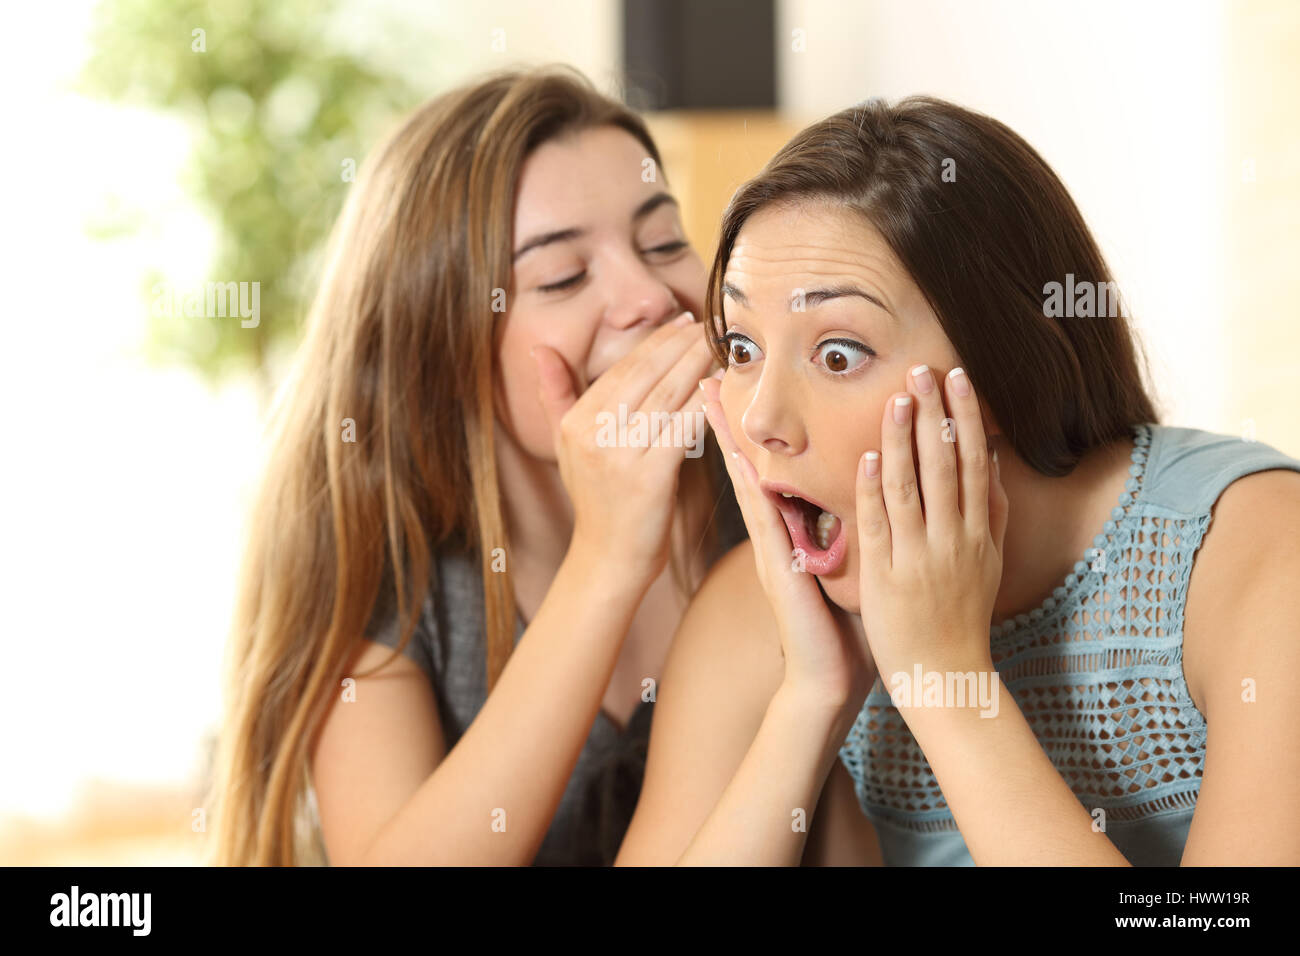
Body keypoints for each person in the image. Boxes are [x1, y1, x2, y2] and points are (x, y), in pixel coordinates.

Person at [617, 95, 1300, 866]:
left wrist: (944, 679)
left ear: (1006, 375)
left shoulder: (1259, 555)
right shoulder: (759, 612)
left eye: (838, 354)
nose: (762, 418)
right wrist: (810, 697)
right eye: (741, 347)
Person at [205, 65, 744, 866]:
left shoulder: (767, 497)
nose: (652, 297)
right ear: (442, 344)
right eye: (563, 276)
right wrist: (607, 561)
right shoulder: (391, 576)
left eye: (664, 241)